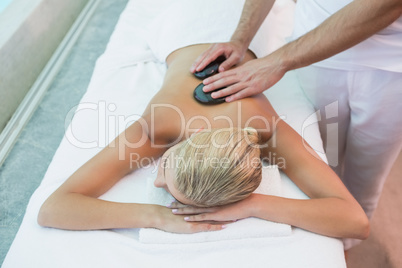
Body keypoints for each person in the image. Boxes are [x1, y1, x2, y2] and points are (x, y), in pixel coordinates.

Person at [37, 1, 369, 240]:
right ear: (185, 141)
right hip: (195, 21)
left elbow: (355, 221)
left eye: (162, 179)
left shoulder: (260, 131)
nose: (155, 182)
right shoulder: (161, 125)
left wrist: (253, 204)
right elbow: (53, 209)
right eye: (166, 174)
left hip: (240, 26)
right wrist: (154, 216)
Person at [191, 0, 402, 248]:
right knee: (323, 162)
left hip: (391, 67)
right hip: (315, 51)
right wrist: (240, 38)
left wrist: (277, 62)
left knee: (365, 178)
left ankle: (346, 248)